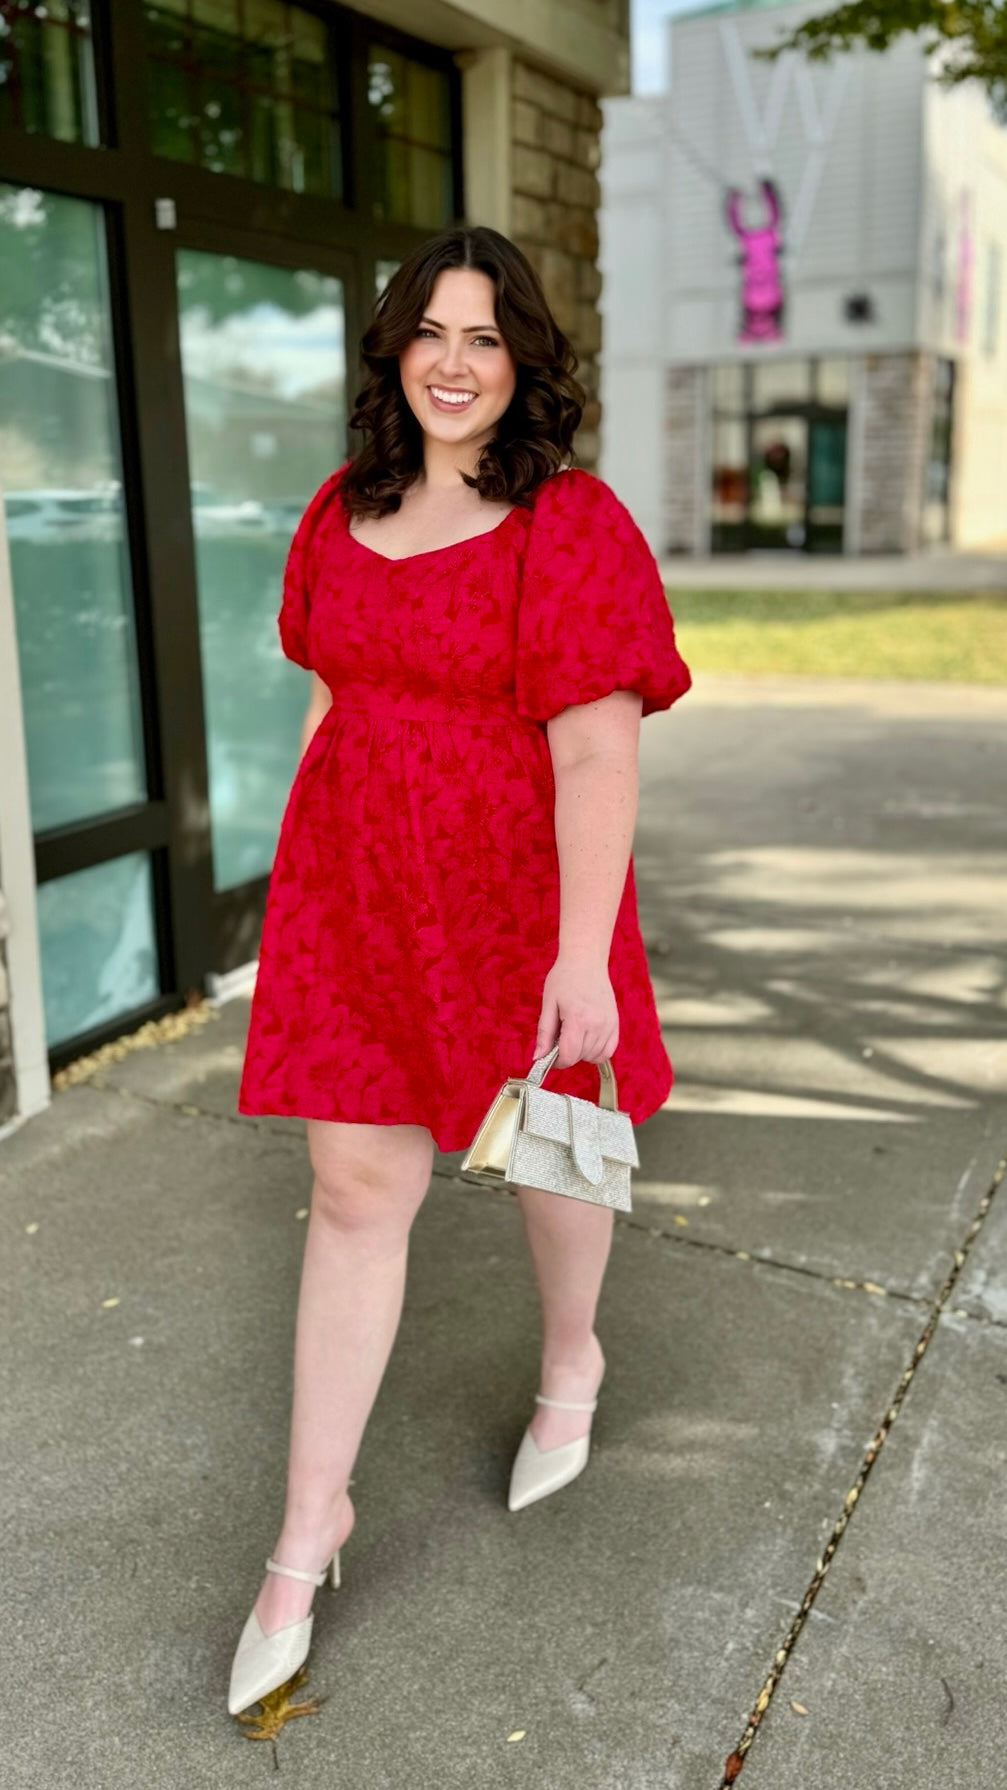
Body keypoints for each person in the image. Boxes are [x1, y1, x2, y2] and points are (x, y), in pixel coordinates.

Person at [228, 224, 692, 1716]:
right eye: (430, 332)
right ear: (392, 353)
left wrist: (583, 952)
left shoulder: (571, 521)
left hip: (524, 890)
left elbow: (598, 742)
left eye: (485, 336)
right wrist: (291, 904)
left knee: (555, 1154)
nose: (453, 360)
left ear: (524, 360)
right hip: (359, 891)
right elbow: (328, 709)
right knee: (357, 1187)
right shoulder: (334, 511)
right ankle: (309, 1531)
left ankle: (573, 1359)